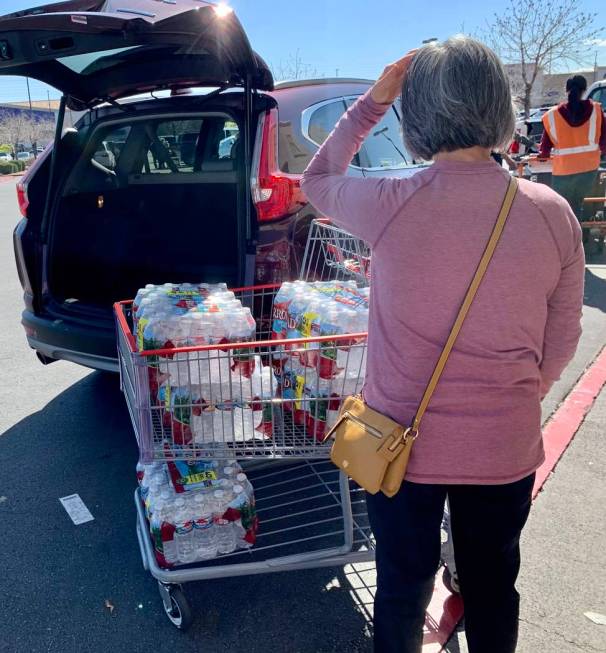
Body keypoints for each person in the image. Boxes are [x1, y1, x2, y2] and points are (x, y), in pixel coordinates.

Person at [301, 37, 584, 653]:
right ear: (501, 109)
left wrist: (373, 102)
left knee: (402, 584)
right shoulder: (551, 212)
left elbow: (318, 178)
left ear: (418, 113)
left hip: (399, 443)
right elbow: (563, 333)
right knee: (492, 586)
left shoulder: (389, 202)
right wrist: (519, 394)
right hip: (503, 444)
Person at [540, 75, 606, 219]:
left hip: (563, 172)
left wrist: (543, 155)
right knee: (577, 206)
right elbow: (604, 141)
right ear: (584, 90)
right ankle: (577, 238)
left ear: (566, 90)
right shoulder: (596, 110)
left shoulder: (553, 115)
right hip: (588, 171)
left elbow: (544, 150)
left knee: (562, 209)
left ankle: (563, 239)